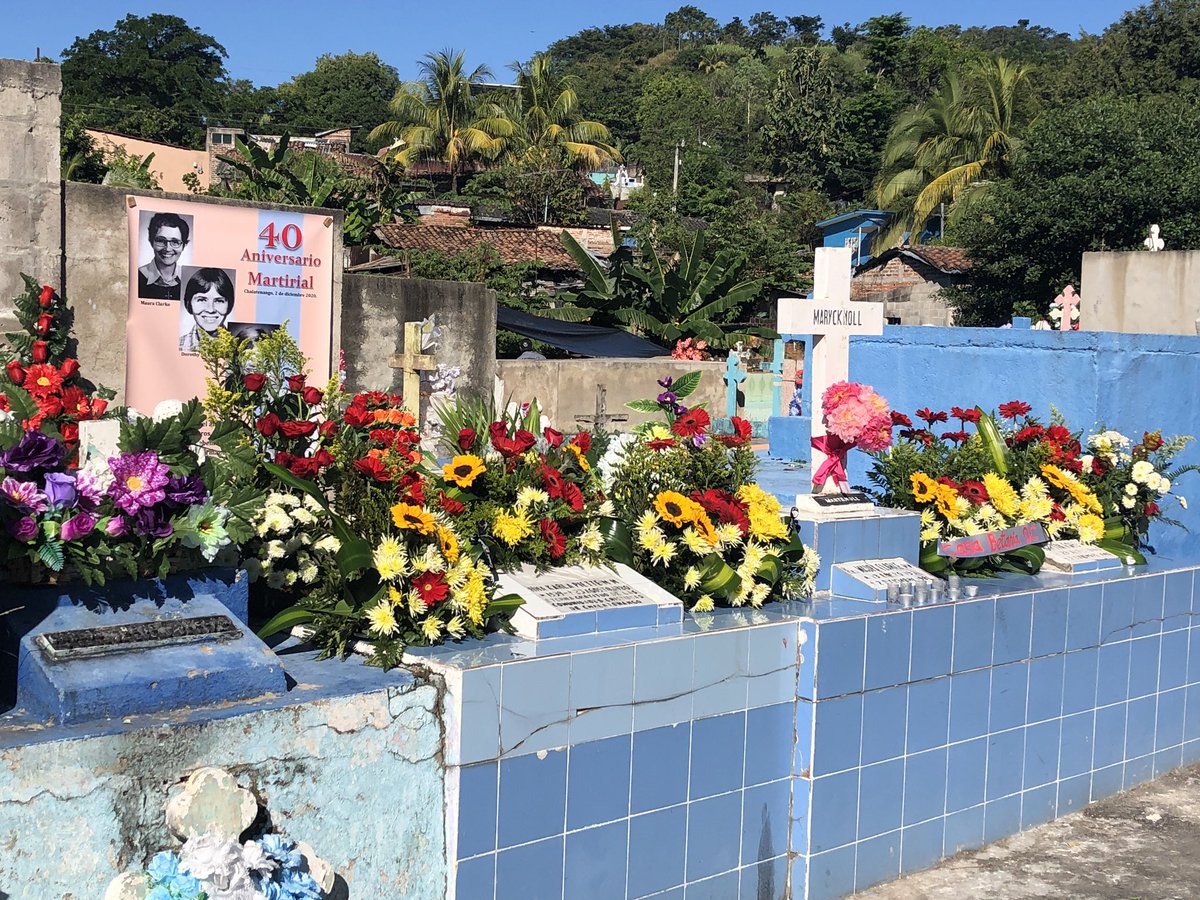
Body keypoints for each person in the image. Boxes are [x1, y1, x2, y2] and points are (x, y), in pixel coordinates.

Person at [179, 268, 235, 352]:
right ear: (189, 303)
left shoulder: (239, 348)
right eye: (201, 300)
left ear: (229, 305)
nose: (210, 309)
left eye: (219, 301)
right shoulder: (179, 346)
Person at [138, 213, 190, 300]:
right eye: (161, 241)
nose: (168, 248)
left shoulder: (189, 279)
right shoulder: (138, 277)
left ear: (184, 245)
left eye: (175, 242)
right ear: (151, 241)